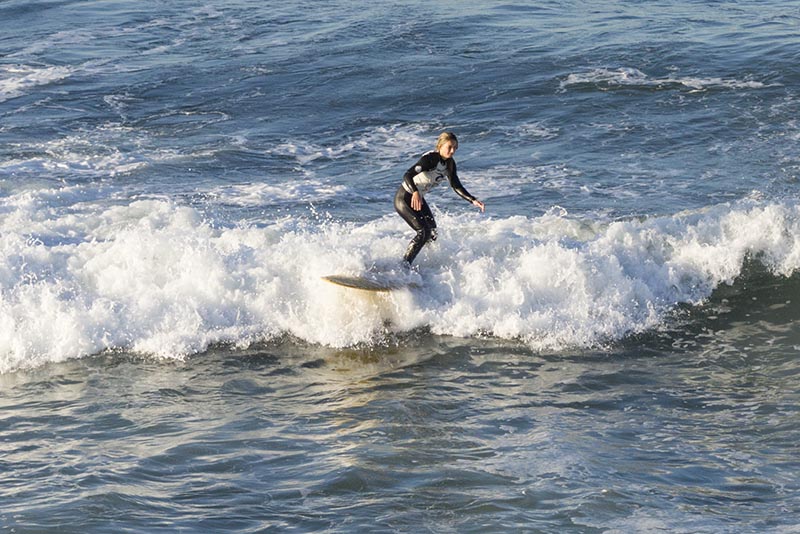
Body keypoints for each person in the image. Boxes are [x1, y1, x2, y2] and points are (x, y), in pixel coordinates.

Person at [394, 132, 485, 265]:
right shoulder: (430, 159)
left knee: (432, 233)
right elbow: (408, 175)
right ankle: (403, 266)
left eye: (455, 147)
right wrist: (415, 192)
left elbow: (456, 185)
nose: (452, 151)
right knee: (423, 231)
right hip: (404, 197)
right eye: (449, 147)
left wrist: (472, 200)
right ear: (440, 146)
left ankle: (424, 263)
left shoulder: (449, 164)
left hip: (418, 198)